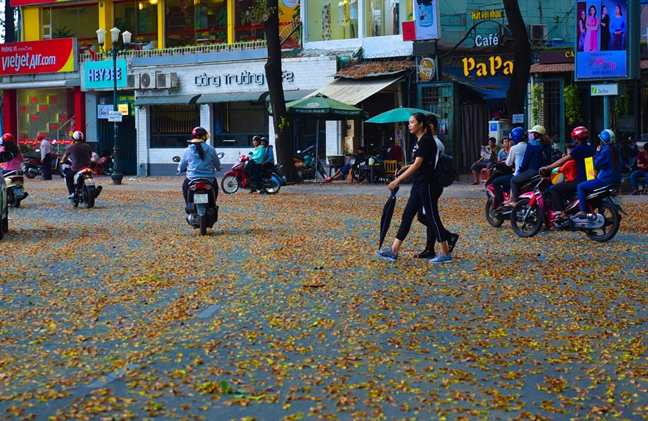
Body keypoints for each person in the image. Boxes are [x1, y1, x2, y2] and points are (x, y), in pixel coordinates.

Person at [375, 112, 453, 264]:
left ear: (421, 124)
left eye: (412, 122)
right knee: (407, 215)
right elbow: (419, 162)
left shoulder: (426, 141)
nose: (409, 125)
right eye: (409, 122)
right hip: (418, 184)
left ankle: (445, 253)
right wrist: (405, 168)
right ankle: (394, 251)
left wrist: (398, 180)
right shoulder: (419, 142)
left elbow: (419, 164)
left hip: (427, 184)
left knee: (432, 217)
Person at [415, 113, 459, 259]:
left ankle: (447, 236)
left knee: (425, 216)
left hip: (431, 183)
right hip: (430, 183)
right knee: (427, 214)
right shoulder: (430, 142)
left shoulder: (434, 143)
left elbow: (431, 166)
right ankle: (429, 248)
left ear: (430, 126)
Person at [541, 126, 596, 221]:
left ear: (577, 138)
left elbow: (562, 161)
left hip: (580, 179)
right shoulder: (590, 149)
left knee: (554, 189)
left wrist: (548, 167)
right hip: (590, 178)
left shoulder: (579, 149)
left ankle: (563, 214)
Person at [573, 129, 622, 219]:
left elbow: (596, 164)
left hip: (606, 178)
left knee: (580, 186)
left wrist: (597, 153)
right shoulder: (617, 149)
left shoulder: (605, 151)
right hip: (616, 179)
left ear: (602, 140)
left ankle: (582, 210)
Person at [503, 125, 552, 209]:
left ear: (536, 134)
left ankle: (515, 201)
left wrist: (521, 170)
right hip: (546, 171)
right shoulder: (547, 145)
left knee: (513, 180)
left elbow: (526, 160)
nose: (531, 135)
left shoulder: (532, 145)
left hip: (534, 170)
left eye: (532, 133)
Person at [177, 126, 221, 207]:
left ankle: (189, 206)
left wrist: (180, 169)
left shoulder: (187, 150)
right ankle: (213, 205)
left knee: (185, 188)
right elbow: (217, 164)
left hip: (191, 180)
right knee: (215, 188)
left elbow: (182, 166)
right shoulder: (211, 149)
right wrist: (219, 168)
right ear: (204, 137)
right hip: (209, 179)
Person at [492, 127, 527, 210]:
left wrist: (511, 147)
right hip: (526, 173)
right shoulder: (528, 146)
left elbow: (508, 163)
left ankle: (502, 205)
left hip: (518, 174)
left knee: (495, 182)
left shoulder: (514, 148)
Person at [60, 131, 92, 199]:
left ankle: (72, 193)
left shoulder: (71, 147)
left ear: (73, 138)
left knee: (68, 177)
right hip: (87, 167)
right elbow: (90, 156)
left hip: (76, 168)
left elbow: (64, 157)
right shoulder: (87, 146)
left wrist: (62, 161)